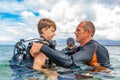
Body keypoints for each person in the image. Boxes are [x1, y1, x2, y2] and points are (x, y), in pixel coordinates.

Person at [30, 20, 112, 72]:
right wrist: (49, 50)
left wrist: (42, 48)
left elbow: (69, 62)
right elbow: (64, 55)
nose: (74, 32)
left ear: (87, 32)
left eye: (78, 30)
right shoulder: (82, 48)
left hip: (101, 76)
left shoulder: (90, 48)